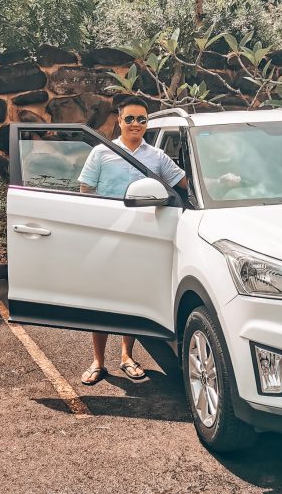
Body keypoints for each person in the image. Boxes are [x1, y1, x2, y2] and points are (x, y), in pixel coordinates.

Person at [76, 98, 188, 385]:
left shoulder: (157, 157)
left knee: (131, 297)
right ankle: (98, 361)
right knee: (101, 300)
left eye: (141, 119)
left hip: (142, 235)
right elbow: (86, 190)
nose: (136, 124)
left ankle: (127, 356)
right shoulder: (102, 153)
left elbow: (183, 183)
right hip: (105, 233)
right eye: (130, 119)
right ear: (119, 121)